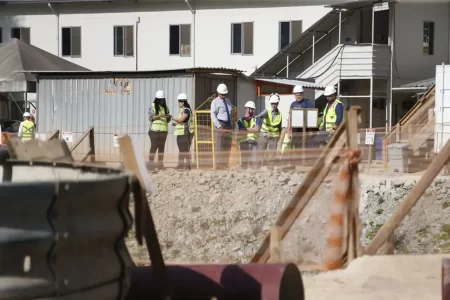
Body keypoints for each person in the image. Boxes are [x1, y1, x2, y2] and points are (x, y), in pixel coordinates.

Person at [255, 93, 282, 167]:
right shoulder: (268, 110)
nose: (274, 105)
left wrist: (279, 136)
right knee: (260, 151)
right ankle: (257, 167)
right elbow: (262, 114)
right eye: (272, 103)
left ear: (277, 103)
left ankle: (270, 168)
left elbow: (279, 126)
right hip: (264, 134)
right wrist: (259, 116)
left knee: (272, 154)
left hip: (273, 136)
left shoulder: (280, 114)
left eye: (275, 103)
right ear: (271, 103)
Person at [210, 83, 233, 169]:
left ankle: (225, 163)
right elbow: (213, 115)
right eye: (222, 94)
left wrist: (231, 124)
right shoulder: (215, 102)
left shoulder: (228, 101)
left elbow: (230, 113)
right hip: (220, 124)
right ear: (218, 93)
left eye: (224, 94)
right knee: (219, 146)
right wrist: (218, 126)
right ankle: (219, 164)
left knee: (227, 146)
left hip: (228, 125)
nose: (223, 96)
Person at [148, 90, 171, 170]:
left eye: (162, 99)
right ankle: (151, 164)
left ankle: (160, 164)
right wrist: (161, 115)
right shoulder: (153, 106)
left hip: (164, 131)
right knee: (154, 147)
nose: (161, 100)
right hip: (154, 131)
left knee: (161, 148)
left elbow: (168, 120)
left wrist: (168, 117)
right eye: (160, 99)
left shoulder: (166, 107)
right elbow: (151, 117)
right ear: (157, 99)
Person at [172, 93, 194, 170]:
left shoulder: (187, 111)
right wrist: (176, 123)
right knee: (182, 149)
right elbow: (182, 121)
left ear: (183, 102)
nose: (178, 103)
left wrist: (173, 118)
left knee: (184, 149)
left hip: (185, 132)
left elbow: (181, 120)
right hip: (182, 132)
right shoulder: (184, 111)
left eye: (179, 102)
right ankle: (182, 165)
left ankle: (186, 165)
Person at [288, 85, 315, 149]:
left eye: (299, 95)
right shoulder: (293, 104)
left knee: (305, 148)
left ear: (302, 94)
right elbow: (290, 118)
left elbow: (312, 117)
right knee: (297, 148)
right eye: (296, 95)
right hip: (295, 131)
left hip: (305, 131)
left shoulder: (308, 103)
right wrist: (289, 131)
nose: (298, 96)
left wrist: (311, 131)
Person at [236, 101, 259, 169]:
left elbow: (256, 129)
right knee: (244, 162)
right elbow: (242, 130)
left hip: (253, 141)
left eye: (253, 109)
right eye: (251, 109)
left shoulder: (255, 119)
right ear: (246, 109)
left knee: (254, 162)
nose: (253, 111)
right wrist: (251, 129)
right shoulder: (240, 121)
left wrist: (246, 129)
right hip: (243, 142)